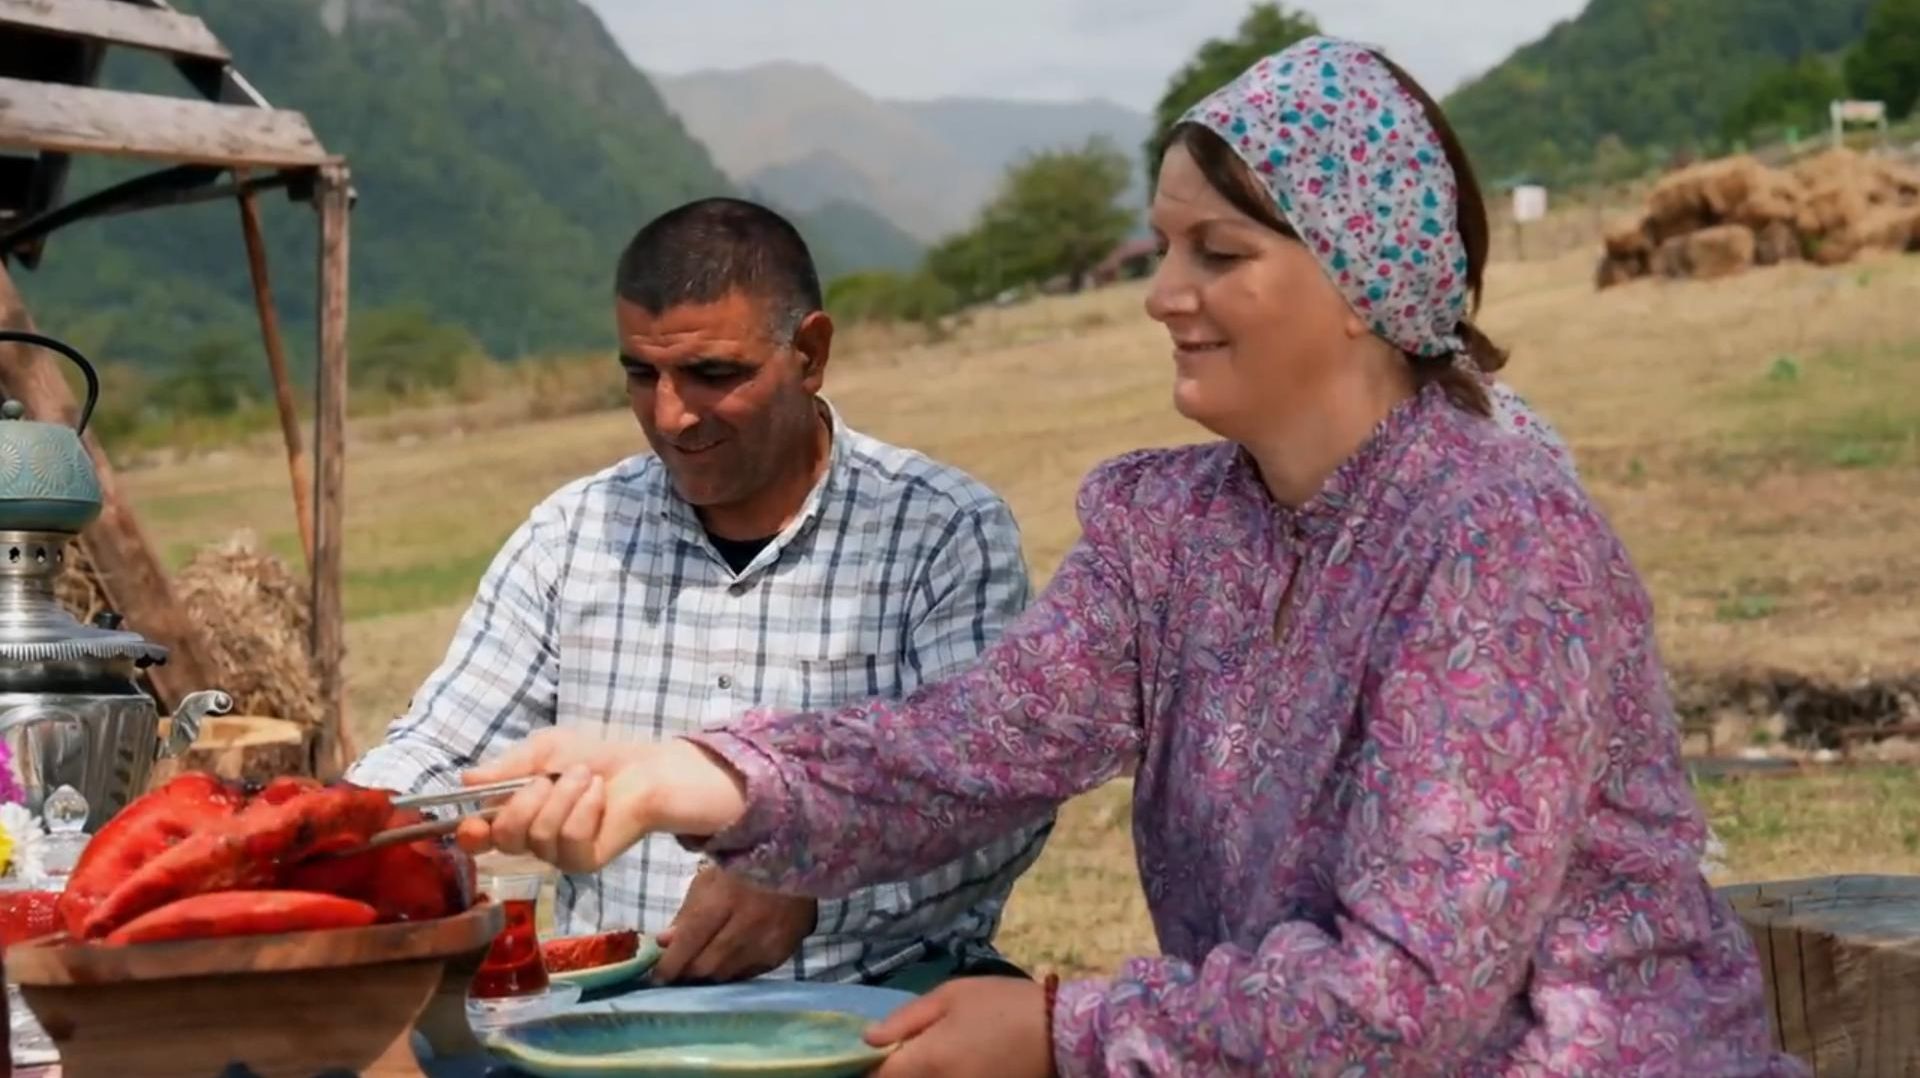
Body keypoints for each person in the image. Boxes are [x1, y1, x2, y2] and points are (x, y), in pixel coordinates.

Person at [452, 38, 1804, 1078]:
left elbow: (1404, 997)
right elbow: (966, 746)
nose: (1163, 293)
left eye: (1217, 251)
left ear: (1361, 277)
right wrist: (682, 775)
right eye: (1163, 246)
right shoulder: (1175, 533)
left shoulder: (1498, 545)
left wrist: (1062, 1029)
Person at [347, 196, 1053, 991]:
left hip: (872, 998)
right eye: (640, 374)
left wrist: (811, 885)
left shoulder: (941, 531)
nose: (672, 415)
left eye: (713, 374)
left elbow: (998, 798)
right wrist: (325, 831)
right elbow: (441, 752)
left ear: (810, 353)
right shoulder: (573, 534)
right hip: (613, 1009)